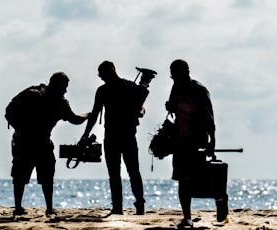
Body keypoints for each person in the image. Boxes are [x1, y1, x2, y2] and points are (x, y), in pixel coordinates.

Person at [6, 72, 88, 216]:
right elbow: (74, 119)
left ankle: (29, 207)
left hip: (30, 141)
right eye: (64, 87)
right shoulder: (50, 99)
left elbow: (8, 112)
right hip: (33, 142)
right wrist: (88, 115)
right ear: (57, 85)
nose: (65, 90)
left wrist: (20, 130)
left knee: (29, 176)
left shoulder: (48, 98)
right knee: (33, 176)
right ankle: (41, 208)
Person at [80, 61, 153, 215]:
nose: (101, 78)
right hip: (124, 135)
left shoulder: (104, 90)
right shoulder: (128, 87)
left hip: (115, 136)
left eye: (102, 74)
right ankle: (131, 205)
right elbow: (141, 107)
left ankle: (124, 206)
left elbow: (94, 114)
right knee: (130, 172)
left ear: (112, 70)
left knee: (121, 173)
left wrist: (86, 134)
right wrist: (140, 111)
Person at [165, 59, 222, 228]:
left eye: (178, 75)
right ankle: (187, 217)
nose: (175, 79)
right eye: (173, 76)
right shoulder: (175, 87)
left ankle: (220, 201)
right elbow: (173, 109)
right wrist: (169, 107)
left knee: (202, 179)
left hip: (197, 141)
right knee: (183, 179)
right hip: (180, 140)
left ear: (187, 72)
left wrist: (212, 140)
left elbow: (209, 117)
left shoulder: (200, 90)